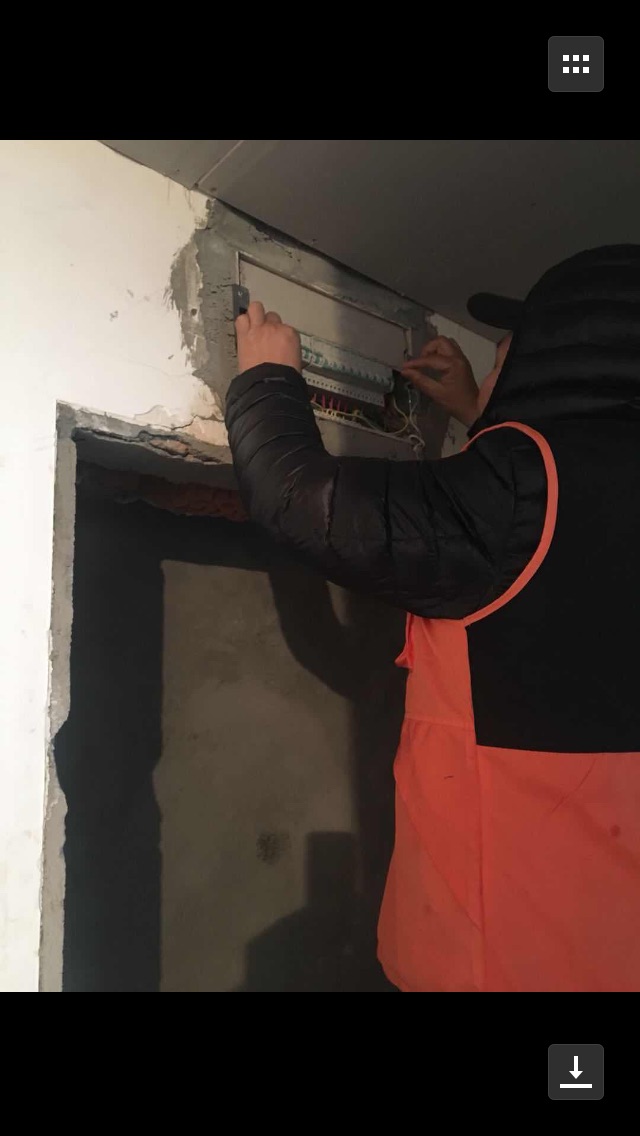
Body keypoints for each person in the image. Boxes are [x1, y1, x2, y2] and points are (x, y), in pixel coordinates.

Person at [226, 245, 640, 993]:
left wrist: (267, 377)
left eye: (513, 347)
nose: (501, 356)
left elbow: (300, 501)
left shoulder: (518, 489)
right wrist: (481, 413)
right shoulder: (548, 488)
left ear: (567, 351)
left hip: (501, 960)